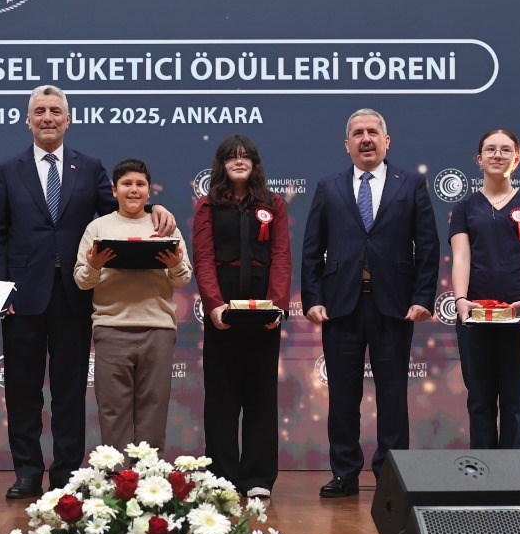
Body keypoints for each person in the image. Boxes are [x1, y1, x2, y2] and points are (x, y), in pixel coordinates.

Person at [0, 85, 176, 498]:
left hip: (75, 294)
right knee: (23, 390)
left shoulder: (88, 167)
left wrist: (156, 210)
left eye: (56, 111)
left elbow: (121, 211)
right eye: (40, 111)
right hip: (22, 296)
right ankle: (27, 471)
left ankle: (67, 472)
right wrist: (2, 293)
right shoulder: (6, 170)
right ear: (28, 120)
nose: (48, 117)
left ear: (68, 120)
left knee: (69, 389)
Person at [301, 108, 439, 497]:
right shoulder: (328, 187)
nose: (366, 139)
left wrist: (423, 297)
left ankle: (391, 476)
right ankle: (345, 472)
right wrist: (312, 298)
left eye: (373, 132)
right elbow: (312, 248)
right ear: (346, 144)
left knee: (393, 395)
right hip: (340, 306)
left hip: (394, 306)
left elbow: (428, 247)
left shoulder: (411, 184)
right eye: (358, 133)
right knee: (343, 396)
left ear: (386, 141)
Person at [192, 135, 290, 497]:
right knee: (221, 397)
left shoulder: (273, 204)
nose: (239, 161)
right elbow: (203, 257)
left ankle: (258, 478)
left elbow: (281, 256)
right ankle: (222, 477)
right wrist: (214, 304)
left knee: (261, 395)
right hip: (223, 311)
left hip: (264, 311)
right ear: (221, 164)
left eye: (245, 156)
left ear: (254, 163)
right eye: (231, 157)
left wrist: (277, 304)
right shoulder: (207, 205)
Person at [75, 159, 192, 450]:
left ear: (149, 191)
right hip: (111, 328)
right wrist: (94, 265)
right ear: (114, 190)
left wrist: (174, 264)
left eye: (140, 184)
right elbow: (81, 281)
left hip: (158, 329)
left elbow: (183, 279)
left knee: (154, 409)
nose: (134, 190)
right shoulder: (97, 227)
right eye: (127, 184)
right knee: (113, 410)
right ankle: (117, 473)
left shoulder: (165, 225)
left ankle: (149, 475)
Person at [450, 128, 520, 449]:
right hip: (475, 316)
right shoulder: (464, 208)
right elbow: (461, 256)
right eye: (490, 149)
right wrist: (460, 299)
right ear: (479, 159)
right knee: (479, 400)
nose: (497, 155)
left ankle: (514, 474)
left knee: (516, 401)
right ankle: (483, 472)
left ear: (516, 159)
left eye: (506, 150)